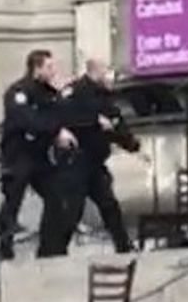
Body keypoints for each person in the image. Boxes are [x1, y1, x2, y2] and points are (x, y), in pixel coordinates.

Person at [40, 59, 138, 256]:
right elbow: (62, 116)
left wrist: (130, 143)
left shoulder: (105, 97)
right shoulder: (75, 92)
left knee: (109, 205)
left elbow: (115, 123)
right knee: (72, 210)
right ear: (96, 72)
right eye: (107, 71)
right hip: (75, 162)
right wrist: (94, 121)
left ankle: (123, 246)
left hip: (94, 163)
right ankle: (53, 251)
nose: (111, 76)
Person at [0, 49, 75, 260]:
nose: (53, 71)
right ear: (36, 68)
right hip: (18, 154)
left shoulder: (49, 93)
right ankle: (4, 249)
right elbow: (29, 121)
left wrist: (62, 97)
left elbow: (60, 116)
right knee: (13, 201)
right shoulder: (18, 92)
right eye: (49, 67)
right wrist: (55, 130)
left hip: (40, 156)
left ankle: (49, 248)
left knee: (56, 197)